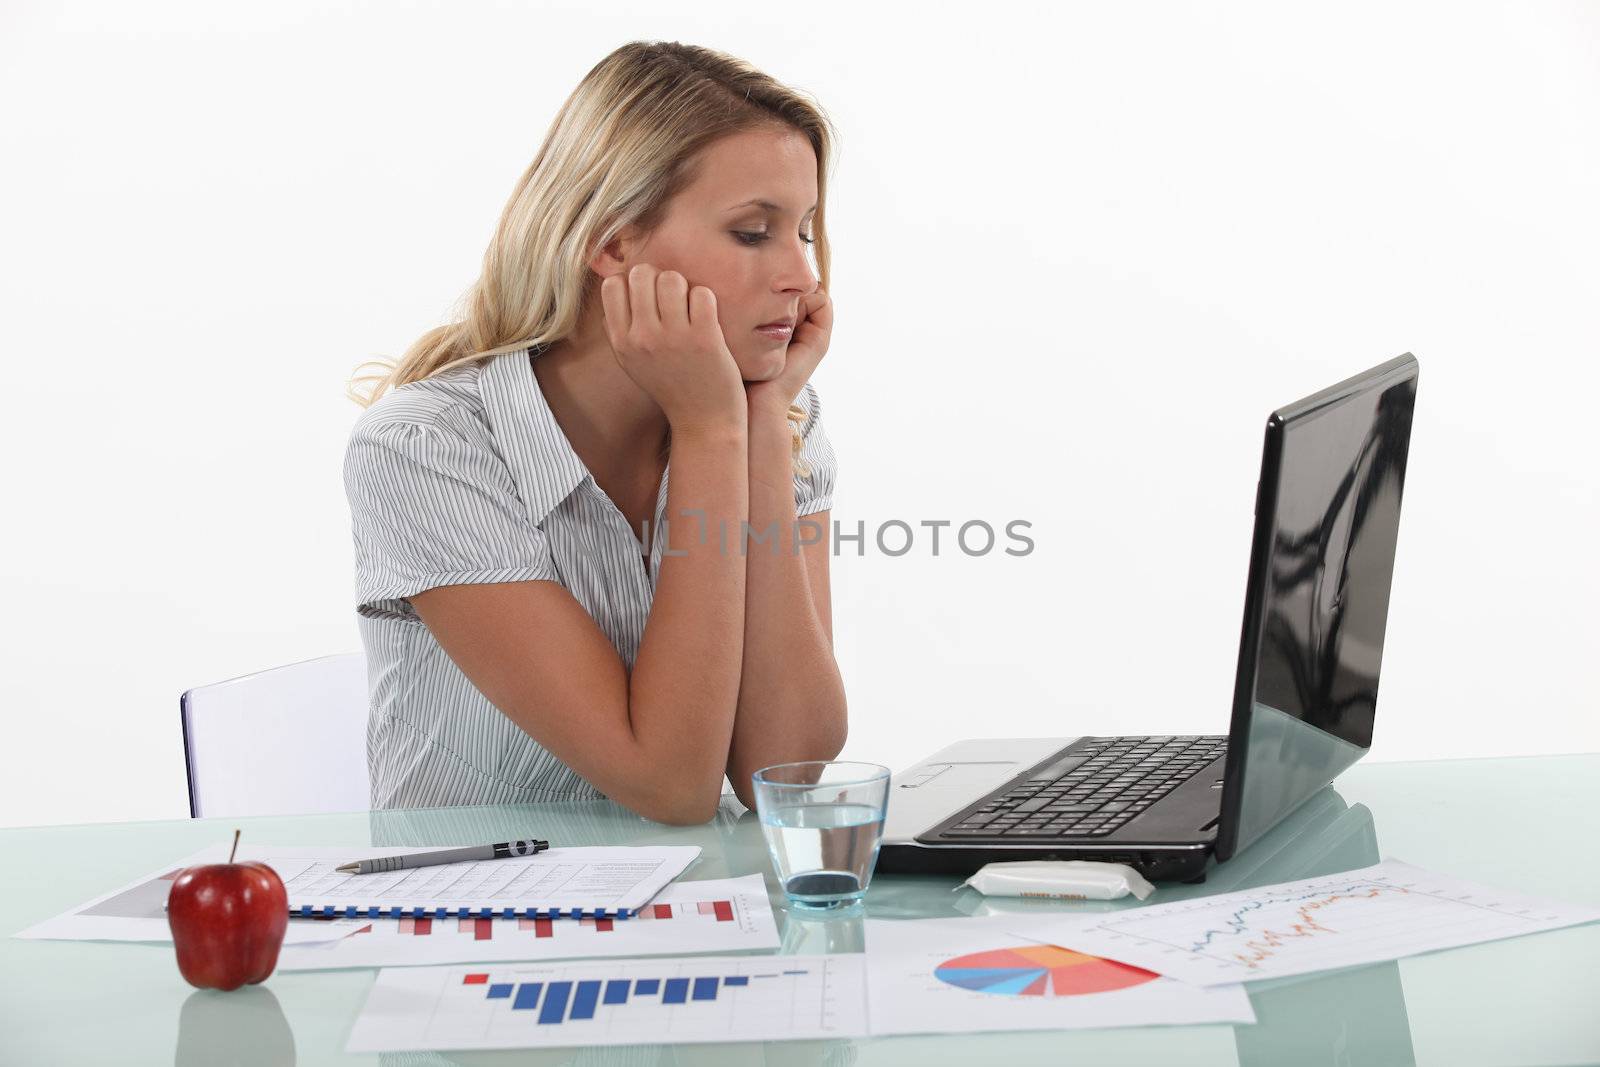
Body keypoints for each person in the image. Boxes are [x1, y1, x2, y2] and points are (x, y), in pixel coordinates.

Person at [341, 41, 847, 824]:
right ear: (613, 244)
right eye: (753, 232)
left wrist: (757, 430)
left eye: (805, 231)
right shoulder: (427, 450)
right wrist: (714, 433)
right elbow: (670, 784)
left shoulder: (775, 418)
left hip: (697, 913)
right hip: (485, 923)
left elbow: (786, 770)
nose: (803, 278)